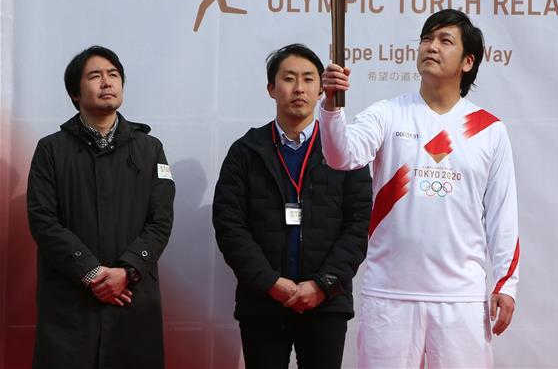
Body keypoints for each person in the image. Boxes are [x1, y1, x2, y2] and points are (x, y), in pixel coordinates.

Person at [321, 9, 520, 368]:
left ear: (467, 61)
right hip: (390, 293)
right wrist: (332, 108)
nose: (431, 47)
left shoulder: (489, 130)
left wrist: (506, 283)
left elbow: (503, 215)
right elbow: (341, 156)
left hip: (460, 298)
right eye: (427, 39)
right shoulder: (388, 114)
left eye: (445, 41)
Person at [212, 44, 372, 369]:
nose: (299, 88)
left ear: (321, 89)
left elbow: (358, 226)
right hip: (263, 303)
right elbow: (230, 226)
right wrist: (270, 281)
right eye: (288, 79)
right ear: (271, 88)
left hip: (326, 302)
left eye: (309, 79)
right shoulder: (246, 152)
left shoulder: (347, 149)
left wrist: (322, 285)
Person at [26, 45, 175, 369]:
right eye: (95, 76)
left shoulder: (150, 149)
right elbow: (43, 221)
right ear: (75, 93)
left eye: (114, 75)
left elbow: (160, 221)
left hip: (132, 298)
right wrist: (92, 273)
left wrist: (127, 270)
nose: (107, 82)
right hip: (71, 304)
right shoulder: (51, 150)